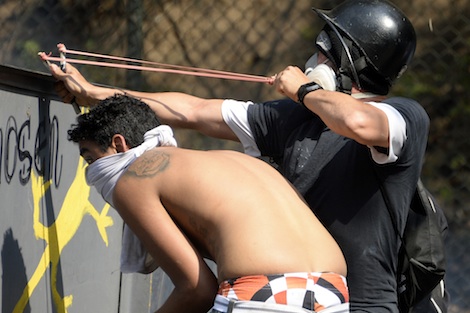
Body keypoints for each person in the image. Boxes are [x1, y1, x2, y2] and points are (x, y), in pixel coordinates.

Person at [49, 1, 446, 312]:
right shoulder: (293, 120)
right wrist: (95, 93)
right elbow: (191, 111)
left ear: (349, 62)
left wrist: (305, 90)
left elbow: (359, 123)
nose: (314, 59)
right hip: (317, 294)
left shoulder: (403, 117)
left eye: (324, 52)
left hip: (365, 304)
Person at [68, 94, 349, 313]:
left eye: (91, 159)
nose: (91, 173)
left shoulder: (135, 176)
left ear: (119, 146)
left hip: (262, 293)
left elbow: (197, 290)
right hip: (333, 290)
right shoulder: (230, 162)